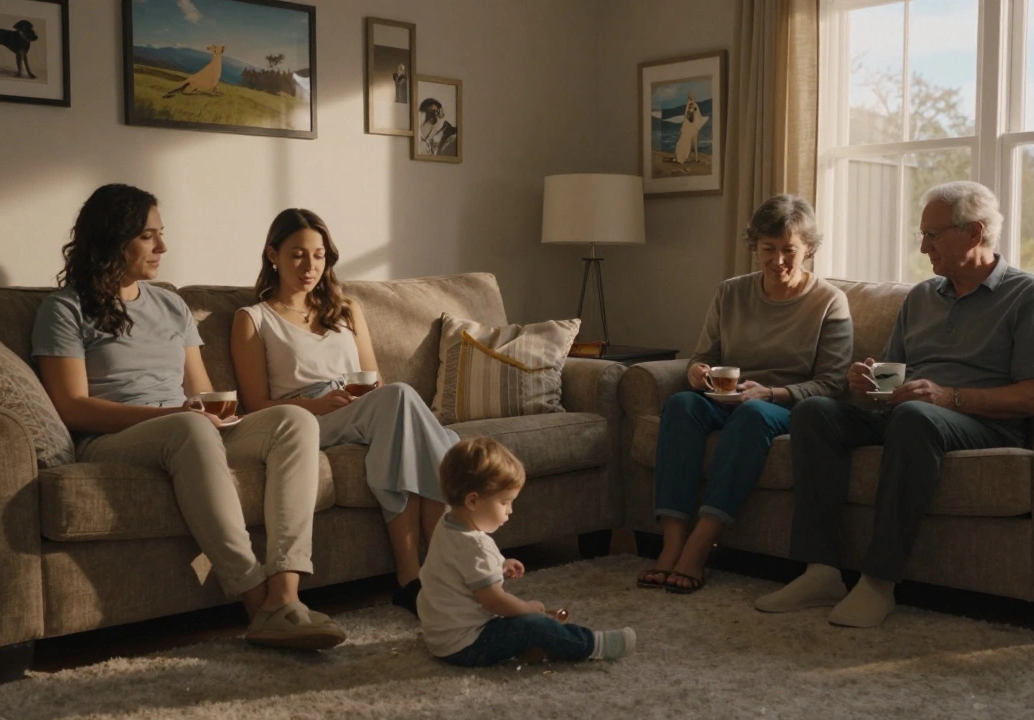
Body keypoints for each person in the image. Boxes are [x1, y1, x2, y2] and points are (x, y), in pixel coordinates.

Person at [32, 184, 346, 650]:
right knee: (189, 426)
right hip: (117, 436)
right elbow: (72, 405)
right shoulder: (64, 308)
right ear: (112, 239)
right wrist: (187, 414)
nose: (162, 247)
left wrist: (213, 410)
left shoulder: (170, 304)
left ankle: (286, 595)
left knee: (294, 421)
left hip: (187, 426)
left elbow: (199, 392)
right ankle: (256, 602)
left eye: (161, 234)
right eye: (147, 236)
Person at [755, 180, 1034, 628]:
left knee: (916, 415)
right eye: (923, 236)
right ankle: (820, 570)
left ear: (974, 233)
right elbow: (893, 376)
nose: (923, 248)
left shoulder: (1027, 295)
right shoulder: (922, 296)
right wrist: (867, 384)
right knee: (815, 412)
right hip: (911, 414)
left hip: (985, 422)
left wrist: (949, 397)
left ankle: (879, 581)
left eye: (932, 235)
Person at [231, 208, 458, 617]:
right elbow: (255, 407)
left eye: (319, 255)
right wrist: (315, 405)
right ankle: (447, 567)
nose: (310, 266)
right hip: (303, 420)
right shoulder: (252, 319)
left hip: (361, 407)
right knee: (409, 410)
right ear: (272, 255)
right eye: (298, 254)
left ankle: (413, 580)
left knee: (399, 416)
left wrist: (365, 399)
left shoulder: (347, 309)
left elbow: (374, 381)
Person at [639, 195, 852, 594]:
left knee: (752, 416)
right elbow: (703, 357)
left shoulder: (829, 301)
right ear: (754, 246)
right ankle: (670, 543)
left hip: (787, 405)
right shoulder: (730, 293)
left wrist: (771, 393)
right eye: (768, 250)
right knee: (682, 404)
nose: (778, 261)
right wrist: (697, 372)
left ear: (809, 249)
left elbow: (833, 383)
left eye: (789, 250)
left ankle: (699, 547)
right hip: (727, 398)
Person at [417, 438, 636, 666]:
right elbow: (495, 602)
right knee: (532, 626)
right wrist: (527, 610)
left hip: (440, 639)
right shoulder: (476, 547)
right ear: (473, 500)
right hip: (466, 645)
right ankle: (591, 645)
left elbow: (458, 565)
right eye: (505, 502)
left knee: (521, 626)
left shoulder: (446, 522)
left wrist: (500, 562)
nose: (510, 510)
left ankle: (538, 649)